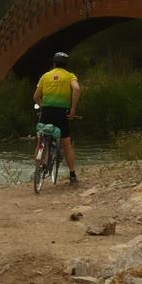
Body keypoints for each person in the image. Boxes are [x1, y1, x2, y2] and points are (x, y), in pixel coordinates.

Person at [33, 51, 82, 185]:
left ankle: (38, 169)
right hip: (61, 113)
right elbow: (77, 89)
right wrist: (72, 109)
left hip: (46, 112)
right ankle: (72, 175)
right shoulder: (69, 76)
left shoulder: (45, 76)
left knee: (40, 140)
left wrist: (42, 106)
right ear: (66, 65)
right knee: (66, 143)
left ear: (53, 63)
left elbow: (35, 97)